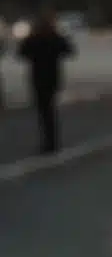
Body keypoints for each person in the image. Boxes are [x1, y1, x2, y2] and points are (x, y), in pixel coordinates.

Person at [17, 10, 75, 154]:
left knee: (44, 110)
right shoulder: (55, 37)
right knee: (48, 109)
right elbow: (69, 51)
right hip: (52, 77)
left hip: (38, 77)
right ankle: (52, 140)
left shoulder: (34, 38)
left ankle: (49, 141)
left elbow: (21, 53)